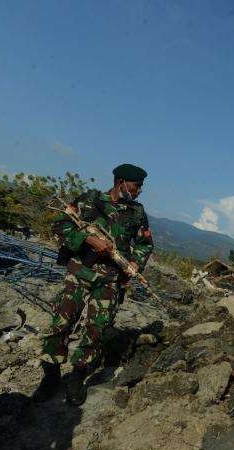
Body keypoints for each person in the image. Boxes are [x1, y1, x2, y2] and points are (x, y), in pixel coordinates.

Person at [33, 163, 154, 405]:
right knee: (62, 321)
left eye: (141, 186)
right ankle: (51, 375)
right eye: (136, 185)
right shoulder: (88, 201)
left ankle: (78, 376)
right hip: (80, 271)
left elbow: (144, 244)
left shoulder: (137, 212)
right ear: (121, 182)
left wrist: (133, 264)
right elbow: (60, 226)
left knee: (97, 328)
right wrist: (88, 239)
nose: (140, 190)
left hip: (110, 279)